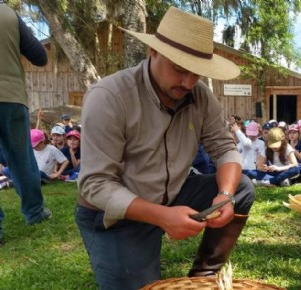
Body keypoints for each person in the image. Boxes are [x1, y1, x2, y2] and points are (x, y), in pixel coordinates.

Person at [75, 7, 255, 290]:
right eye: (180, 69)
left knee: (241, 187)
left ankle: (204, 276)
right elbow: (95, 184)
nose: (188, 83)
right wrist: (161, 217)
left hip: (172, 195)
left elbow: (224, 148)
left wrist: (225, 196)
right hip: (114, 216)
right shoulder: (109, 97)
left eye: (197, 73)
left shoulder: (201, 95)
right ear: (153, 51)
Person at [0, 4, 52, 247]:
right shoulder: (7, 13)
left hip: (12, 96)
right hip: (12, 96)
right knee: (21, 157)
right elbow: (40, 57)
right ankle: (35, 212)